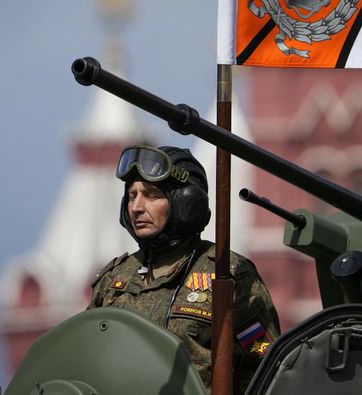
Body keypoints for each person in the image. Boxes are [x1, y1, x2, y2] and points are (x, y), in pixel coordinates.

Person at [87, 144, 280, 393]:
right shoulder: (114, 278)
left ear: (186, 203)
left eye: (151, 195)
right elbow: (84, 357)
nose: (136, 207)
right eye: (132, 195)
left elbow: (265, 369)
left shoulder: (227, 274)